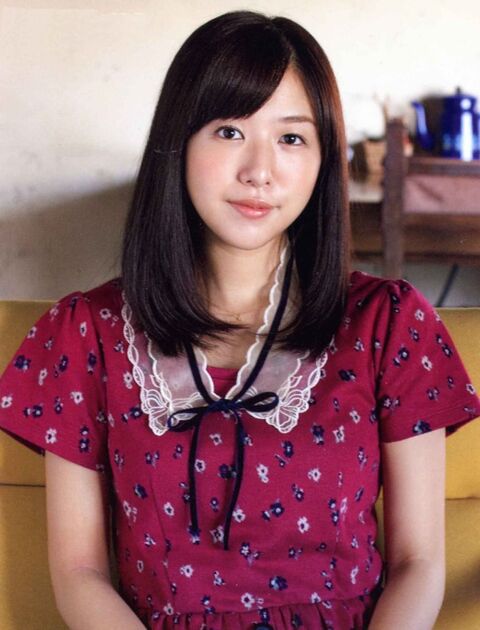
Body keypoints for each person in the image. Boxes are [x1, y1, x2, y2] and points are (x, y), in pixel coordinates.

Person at [0, 10, 479, 630]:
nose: (259, 171)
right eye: (229, 131)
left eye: (291, 138)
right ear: (177, 142)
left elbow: (419, 563)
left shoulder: (388, 325)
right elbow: (78, 573)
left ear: (322, 158)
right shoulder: (86, 333)